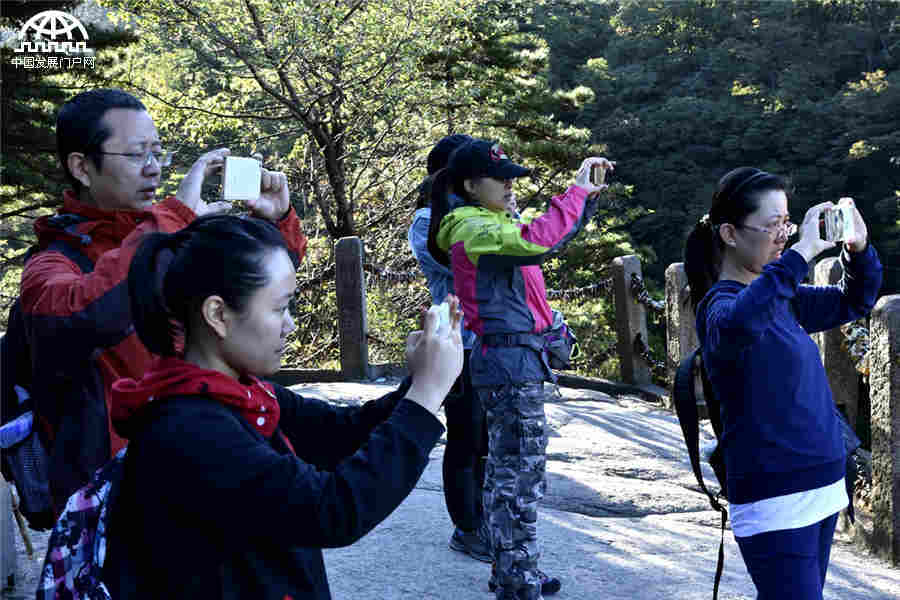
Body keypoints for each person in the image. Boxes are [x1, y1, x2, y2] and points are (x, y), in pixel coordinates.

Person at [102, 214, 463, 598]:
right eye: (279, 309)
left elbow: (340, 433)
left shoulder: (243, 393)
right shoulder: (188, 429)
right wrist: (423, 398)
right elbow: (331, 511)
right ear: (218, 315)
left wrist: (425, 382)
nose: (289, 325)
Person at [17, 88, 307, 513]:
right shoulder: (51, 264)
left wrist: (275, 220)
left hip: (201, 459)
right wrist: (174, 220)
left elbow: (258, 291)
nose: (154, 169)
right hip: (119, 495)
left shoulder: (166, 235)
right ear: (81, 166)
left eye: (158, 152)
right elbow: (88, 313)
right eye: (137, 156)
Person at [683, 167, 882, 600]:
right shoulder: (721, 307)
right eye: (772, 225)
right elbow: (741, 323)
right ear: (730, 234)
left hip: (823, 483)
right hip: (775, 495)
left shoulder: (782, 296)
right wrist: (804, 251)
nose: (783, 236)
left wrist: (858, 247)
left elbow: (855, 299)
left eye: (786, 224)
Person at [428, 138, 613, 600]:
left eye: (513, 177)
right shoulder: (472, 228)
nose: (511, 185)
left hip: (513, 361)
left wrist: (585, 196)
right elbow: (536, 242)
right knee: (519, 475)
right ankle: (516, 580)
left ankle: (514, 569)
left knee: (508, 473)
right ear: (471, 186)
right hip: (508, 364)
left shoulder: (489, 222)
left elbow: (543, 242)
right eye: (502, 178)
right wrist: (573, 193)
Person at [408, 133, 492, 562]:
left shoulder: (486, 215)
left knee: (493, 439)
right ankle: (467, 527)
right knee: (467, 435)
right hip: (457, 344)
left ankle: (491, 524)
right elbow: (457, 262)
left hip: (495, 344)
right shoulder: (426, 221)